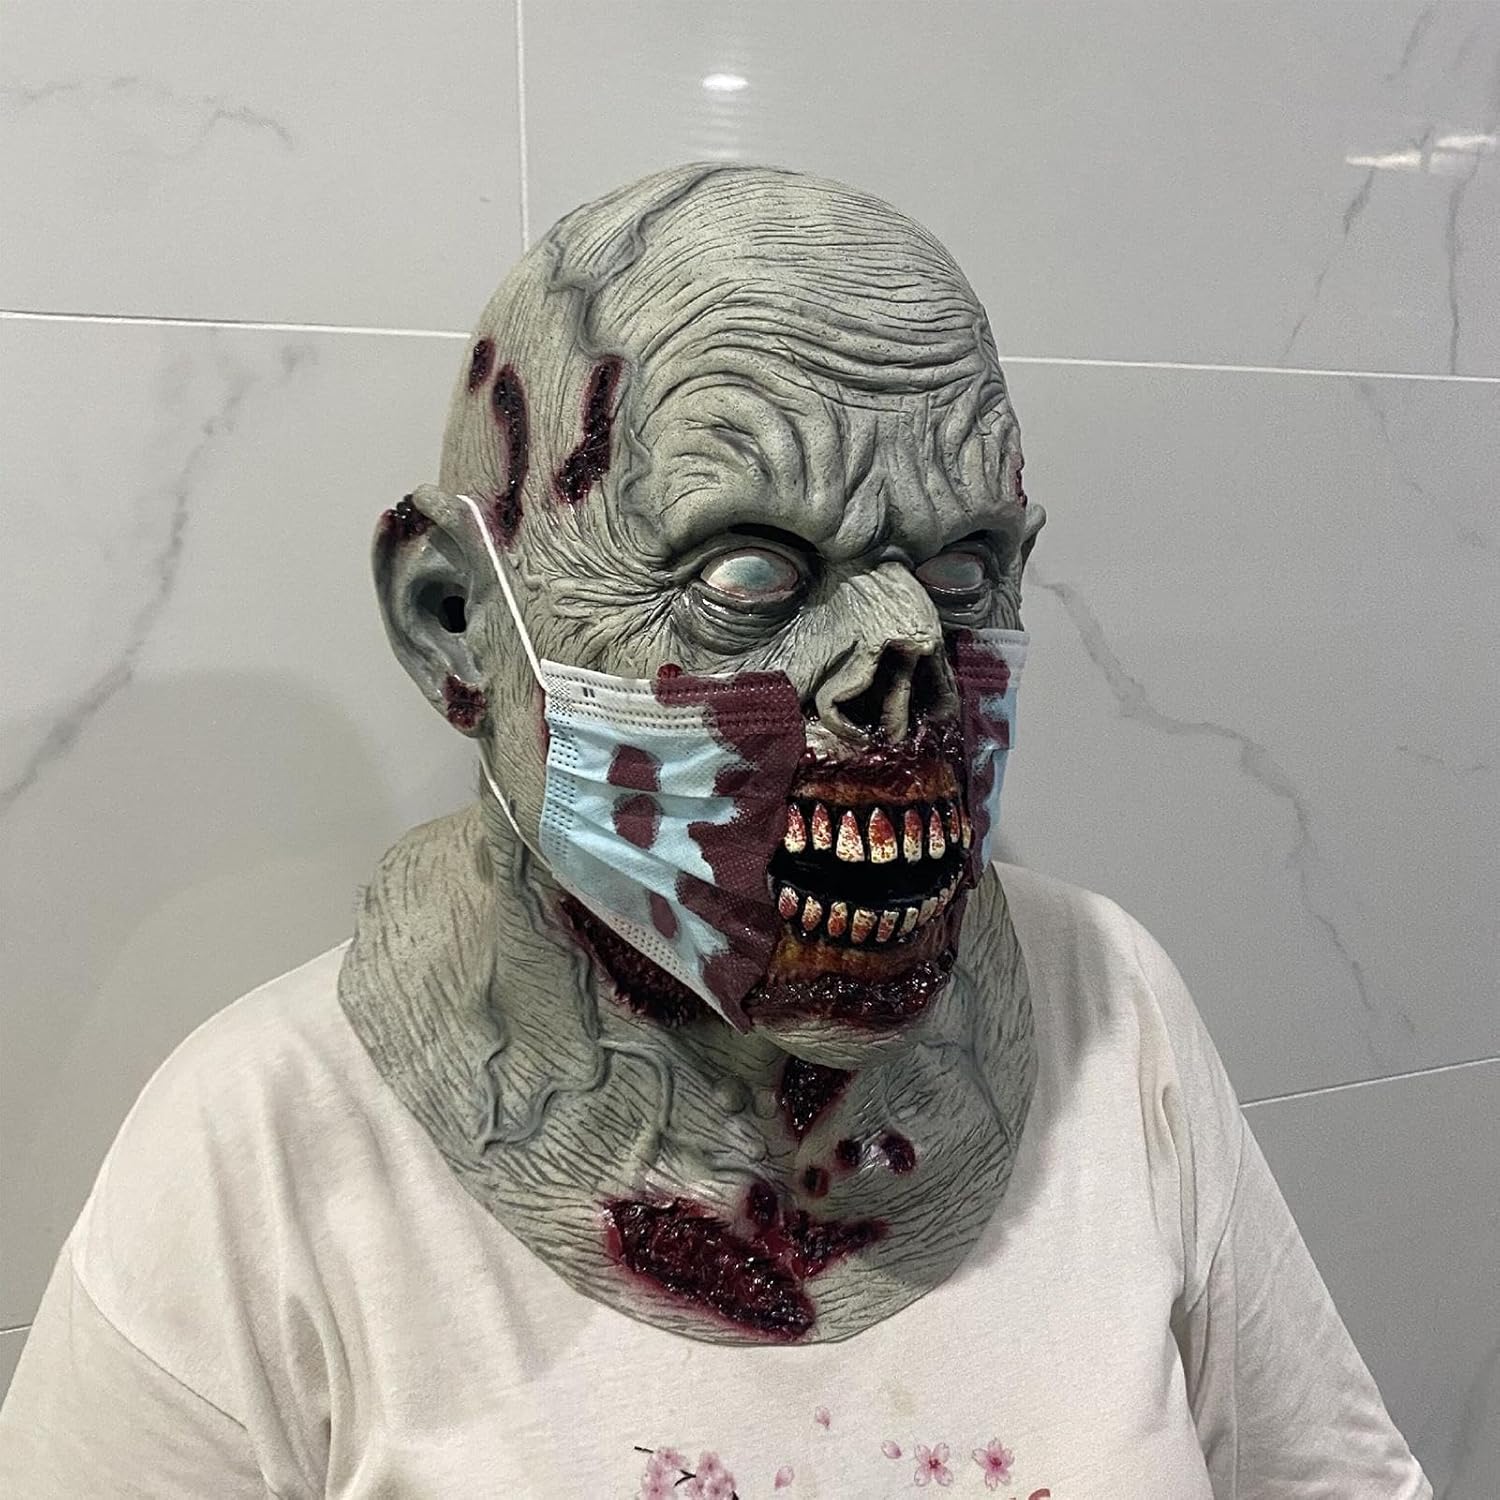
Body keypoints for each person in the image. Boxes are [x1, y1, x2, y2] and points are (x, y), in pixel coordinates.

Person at [0, 165, 1429, 1498]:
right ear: (455, 621)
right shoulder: (255, 1161)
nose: (909, 658)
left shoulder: (1109, 1007)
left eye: (964, 566)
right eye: (750, 570)